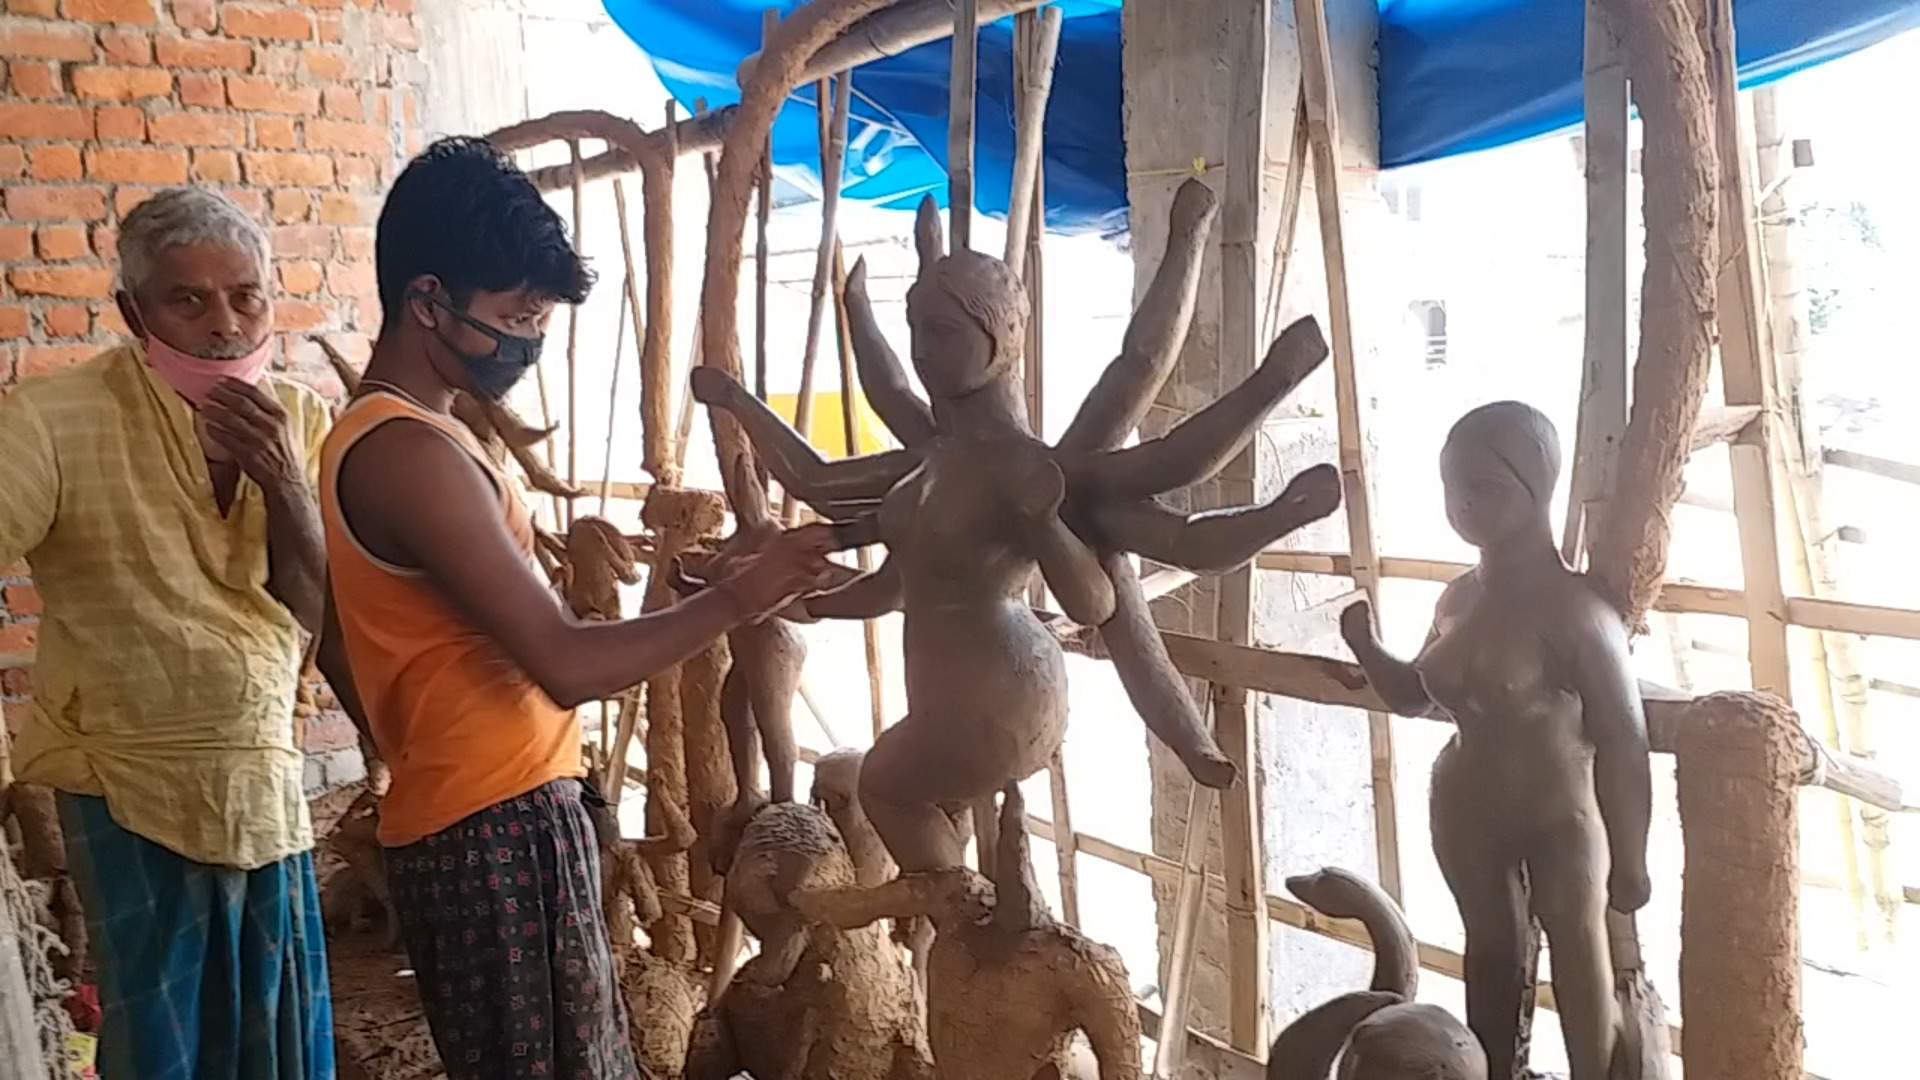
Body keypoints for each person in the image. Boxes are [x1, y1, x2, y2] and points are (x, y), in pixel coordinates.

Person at [315, 136, 842, 1078]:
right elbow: (563, 661)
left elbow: (401, 639)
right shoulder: (407, 454)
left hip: (493, 812)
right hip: (488, 838)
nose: (530, 342)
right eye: (516, 317)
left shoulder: (422, 434)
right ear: (426, 300)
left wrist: (703, 585)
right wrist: (737, 599)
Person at [0, 188, 334, 1076]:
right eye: (188, 300)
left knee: (277, 1044)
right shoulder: (53, 417)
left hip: (265, 782)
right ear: (132, 313)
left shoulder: (300, 420)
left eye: (246, 296)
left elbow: (318, 611)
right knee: (162, 1048)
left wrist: (287, 485)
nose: (225, 324)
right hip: (124, 778)